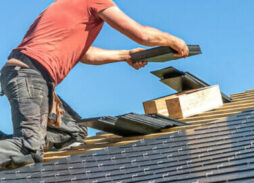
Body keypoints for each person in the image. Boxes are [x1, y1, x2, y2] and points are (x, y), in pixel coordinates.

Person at [0, 0, 189, 169]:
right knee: (29, 148)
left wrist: (126, 56)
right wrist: (174, 41)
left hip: (30, 75)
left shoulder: (69, 6)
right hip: (30, 74)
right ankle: (25, 144)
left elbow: (86, 54)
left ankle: (15, 143)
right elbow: (141, 34)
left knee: (74, 132)